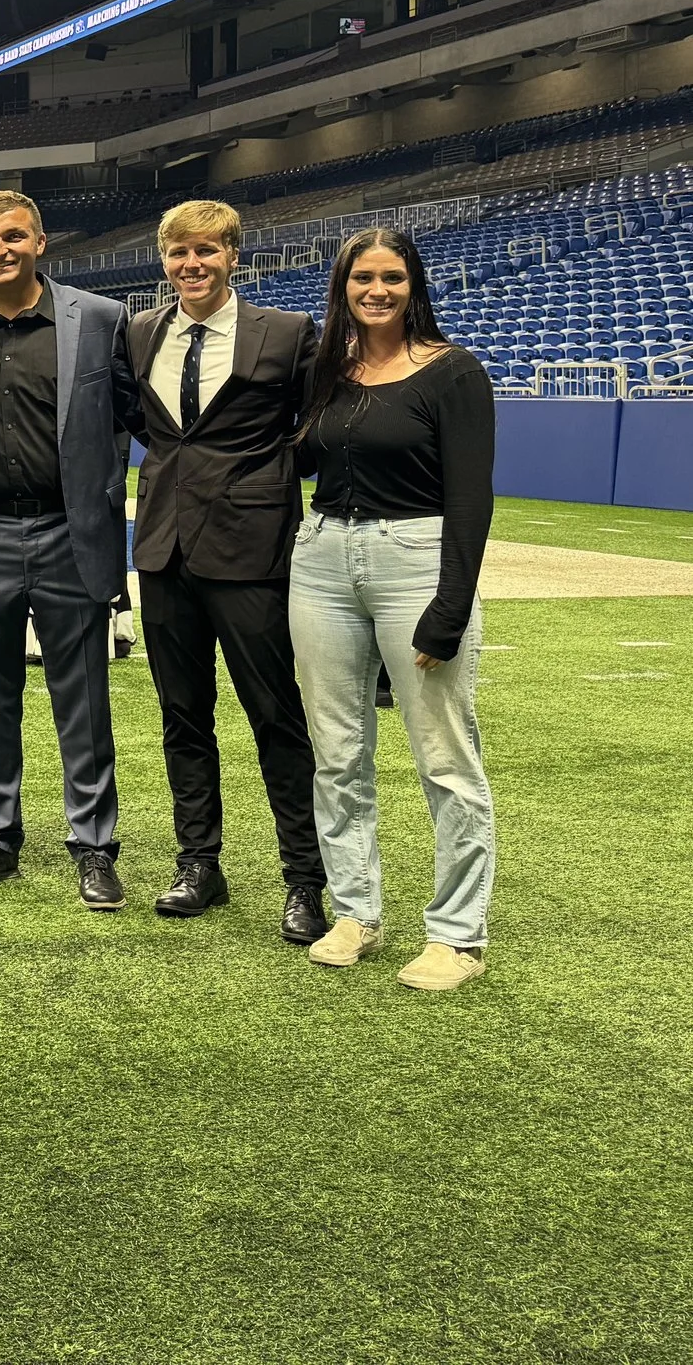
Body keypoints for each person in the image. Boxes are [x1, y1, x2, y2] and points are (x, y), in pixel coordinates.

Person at [0, 192, 141, 912]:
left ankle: (94, 846)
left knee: (83, 697)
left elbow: (127, 421)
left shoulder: (100, 318)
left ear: (41, 241)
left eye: (13, 235)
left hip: (67, 530)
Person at [289, 227, 497, 992]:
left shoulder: (453, 372)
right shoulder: (329, 372)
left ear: (415, 285)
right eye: (362, 278)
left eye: (392, 277)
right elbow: (303, 459)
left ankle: (458, 934)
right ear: (342, 286)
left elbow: (472, 497)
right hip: (320, 561)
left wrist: (450, 605)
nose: (376, 290)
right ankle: (355, 910)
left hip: (416, 561)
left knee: (445, 753)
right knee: (337, 750)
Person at [128, 199, 327, 946]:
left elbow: (314, 429)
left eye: (206, 252)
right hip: (164, 551)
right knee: (184, 718)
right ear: (165, 259)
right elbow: (143, 425)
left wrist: (262, 479)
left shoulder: (286, 332)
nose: (192, 265)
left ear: (233, 256)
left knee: (275, 718)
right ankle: (198, 863)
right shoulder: (142, 331)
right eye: (179, 254)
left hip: (252, 551)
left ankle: (304, 881)